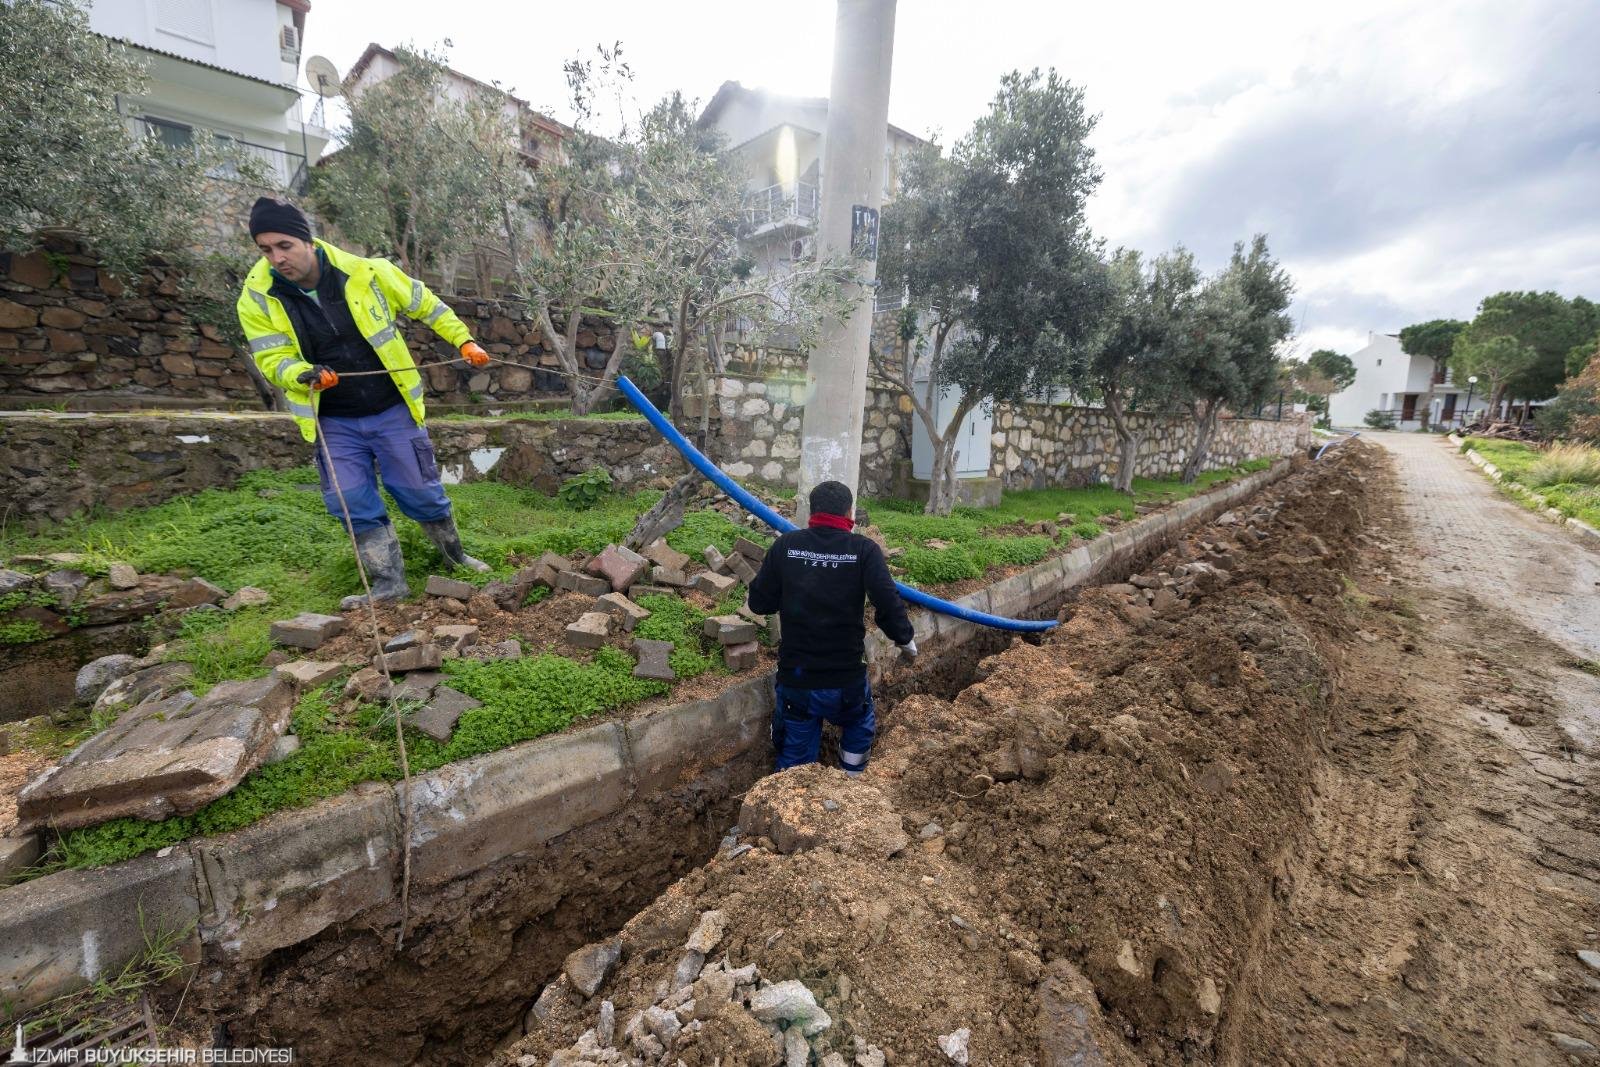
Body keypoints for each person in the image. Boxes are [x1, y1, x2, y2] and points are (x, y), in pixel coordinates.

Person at [236, 197, 492, 609]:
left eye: (284, 245)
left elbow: (426, 304)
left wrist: (464, 339)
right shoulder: (257, 298)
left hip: (391, 406)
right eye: (265, 249)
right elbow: (271, 356)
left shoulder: (368, 272)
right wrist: (300, 373)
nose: (276, 258)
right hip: (332, 418)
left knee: (421, 492)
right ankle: (389, 584)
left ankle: (456, 557)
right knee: (350, 500)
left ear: (307, 240)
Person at [747, 480, 917, 778]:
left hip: (797, 681)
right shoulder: (863, 550)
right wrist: (905, 638)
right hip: (845, 682)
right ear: (849, 511)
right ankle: (851, 780)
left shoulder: (786, 546)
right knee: (859, 726)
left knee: (795, 759)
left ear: (812, 512)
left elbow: (759, 603)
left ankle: (791, 800)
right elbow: (888, 603)